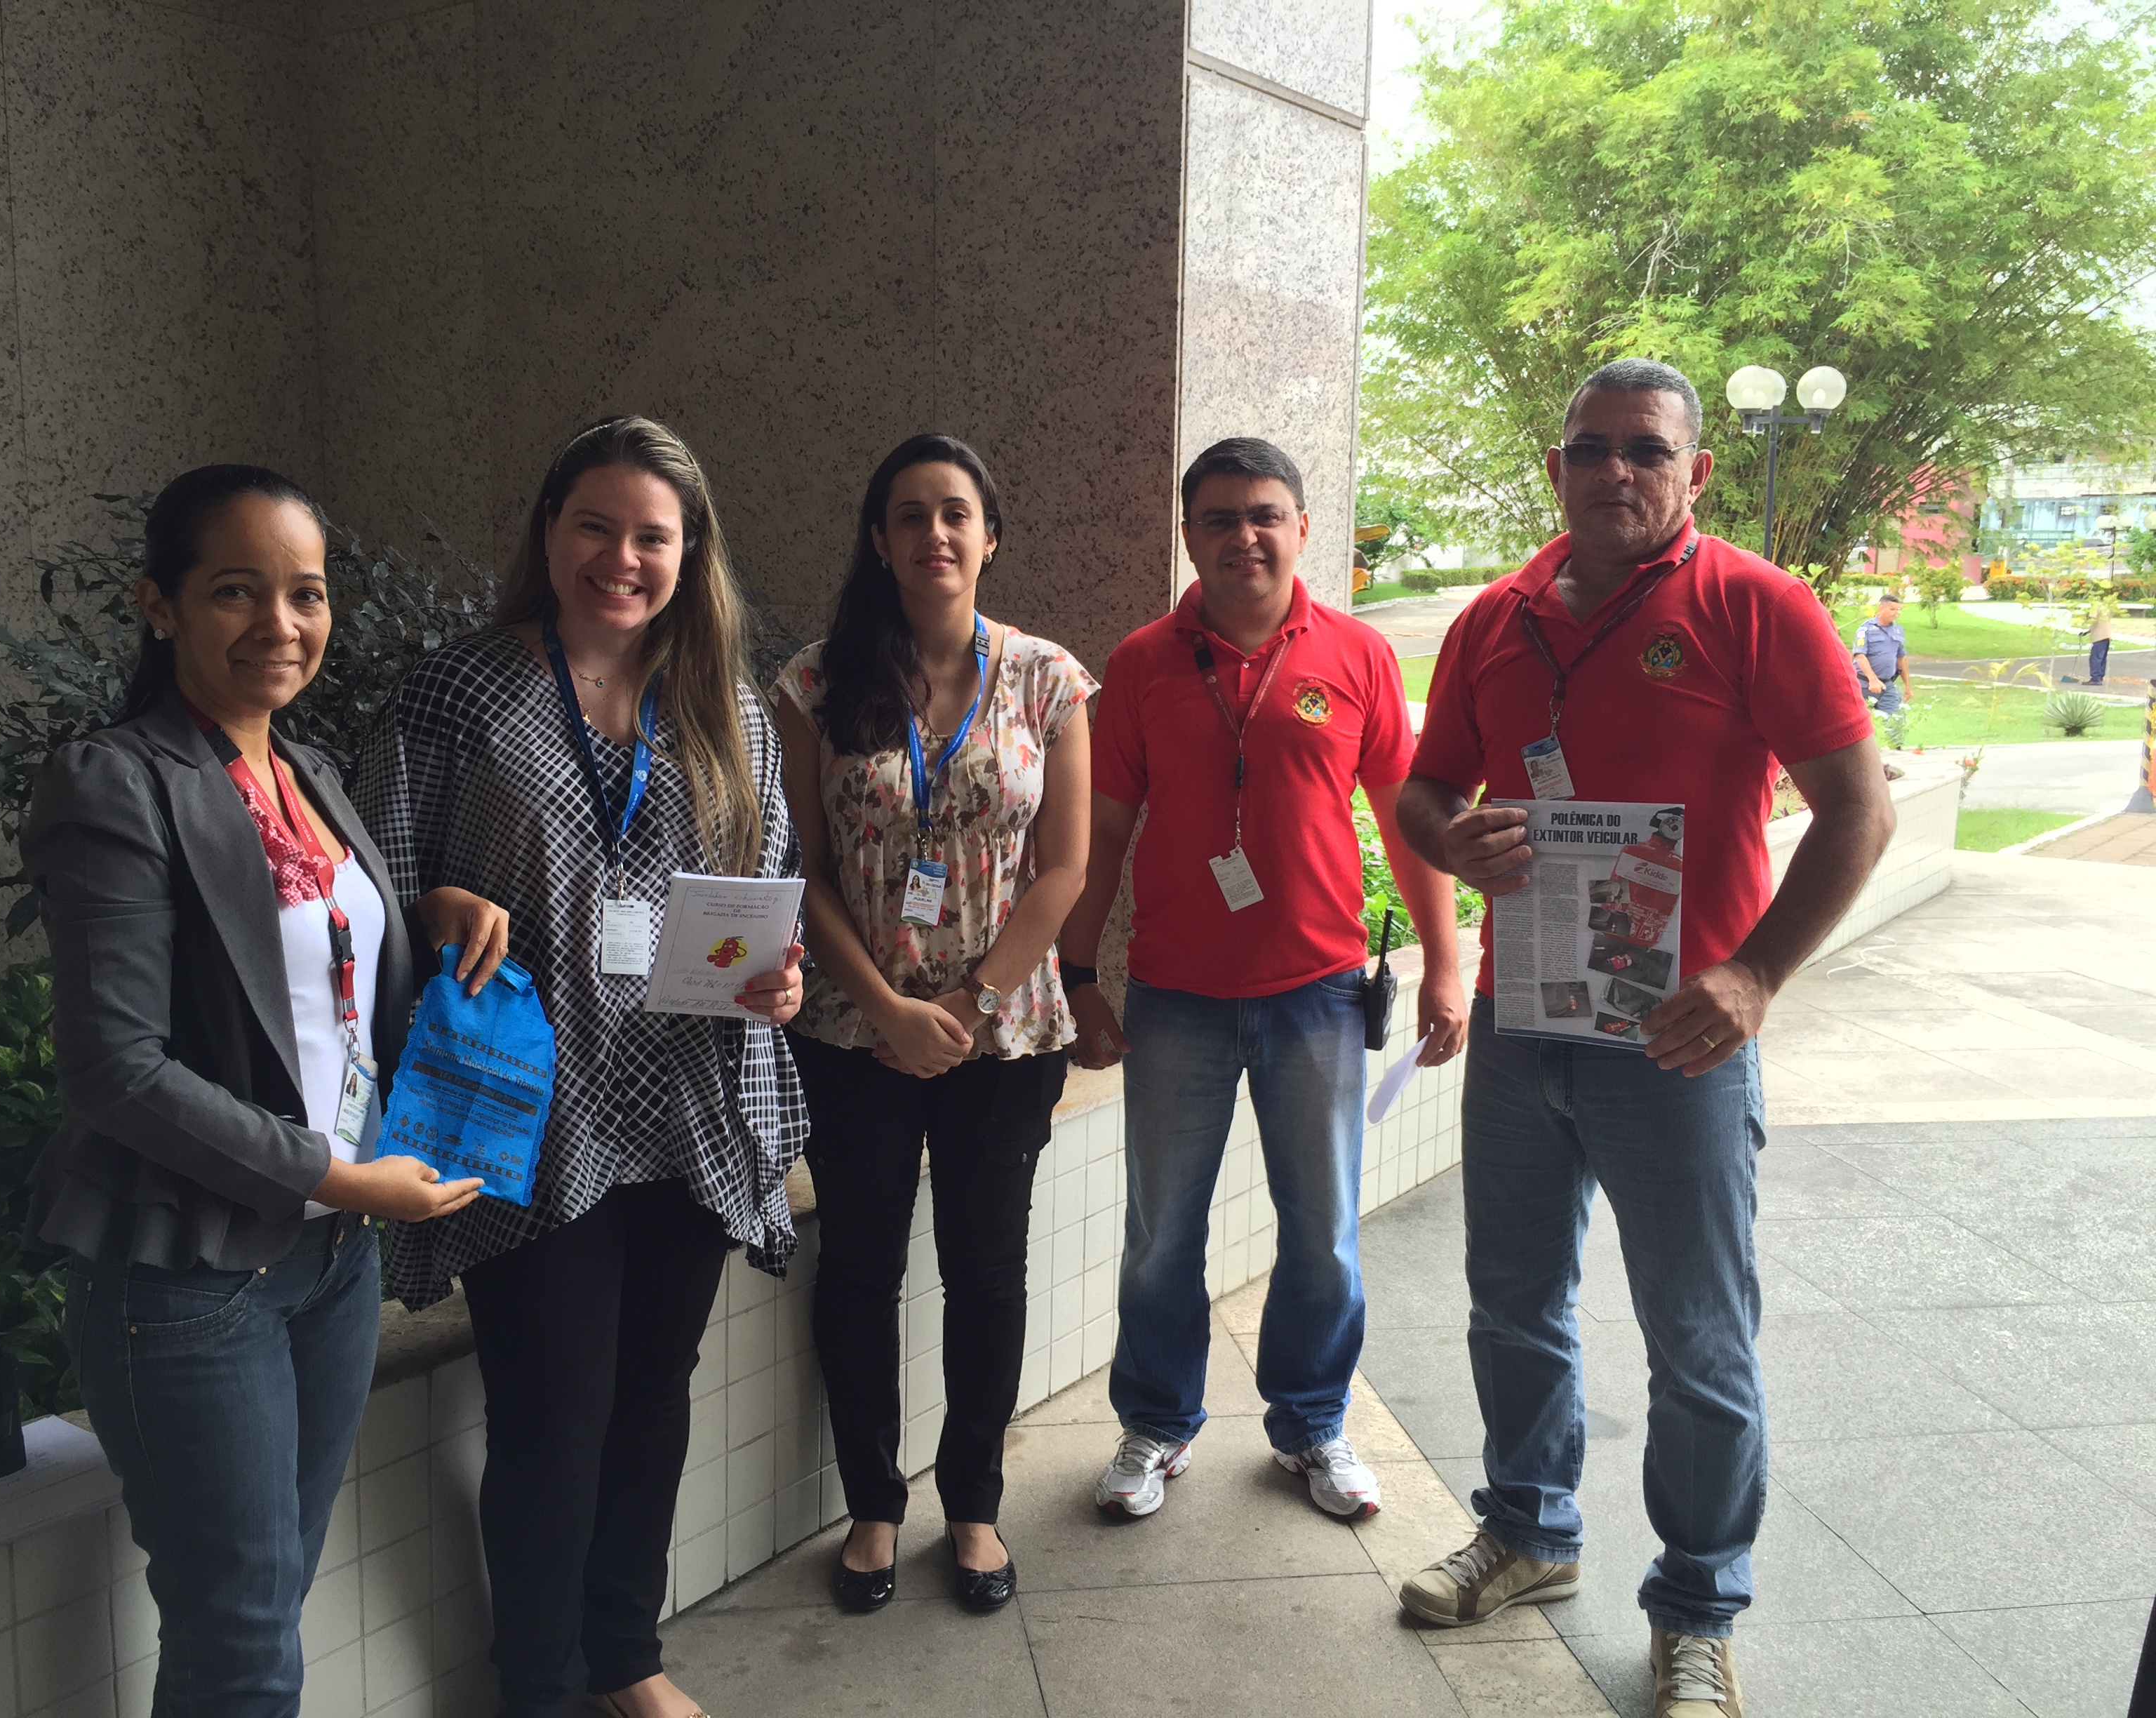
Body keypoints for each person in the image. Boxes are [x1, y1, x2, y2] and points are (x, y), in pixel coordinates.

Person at [1393, 359, 1894, 1718]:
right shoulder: (1494, 619)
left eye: (1645, 450)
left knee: (1696, 1338)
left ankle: (1696, 1609)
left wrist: (1755, 975)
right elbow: (1424, 789)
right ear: (1555, 465)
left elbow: (1859, 809)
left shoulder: (1754, 605)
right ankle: (1528, 1530)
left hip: (1680, 1044)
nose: (1614, 470)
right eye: (1589, 448)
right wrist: (1451, 839)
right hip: (1522, 1027)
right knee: (1511, 1301)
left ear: (1694, 470)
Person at [354, 418, 806, 1718]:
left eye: (652, 536)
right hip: (528, 1107)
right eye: (594, 526)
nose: (621, 557)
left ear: (690, 552)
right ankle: (539, 1686)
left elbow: (767, 885)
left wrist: (778, 982)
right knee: (552, 1413)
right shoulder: (457, 692)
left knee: (652, 1398)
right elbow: (369, 886)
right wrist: (433, 904)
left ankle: (625, 1655)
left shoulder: (723, 700)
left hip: (684, 1099)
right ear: (548, 531)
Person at [25, 465, 485, 1716]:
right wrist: (340, 1177)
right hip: (188, 1269)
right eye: (237, 591)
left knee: (267, 1602)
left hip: (330, 1264)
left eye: (306, 594)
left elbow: (307, 977)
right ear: (159, 604)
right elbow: (116, 1068)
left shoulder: (310, 770)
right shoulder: (116, 781)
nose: (280, 624)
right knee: (239, 1635)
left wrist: (421, 914)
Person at [1057, 437, 1466, 1524]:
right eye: (1221, 518)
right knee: (1162, 1235)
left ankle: (1313, 1424)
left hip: (1318, 994)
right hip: (1176, 998)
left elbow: (1407, 823)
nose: (1244, 536)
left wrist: (1446, 965)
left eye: (1265, 515)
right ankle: (1157, 1423)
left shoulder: (1357, 655)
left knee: (1323, 1234)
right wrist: (1077, 974)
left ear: (1301, 528)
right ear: (1190, 536)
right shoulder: (1143, 663)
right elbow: (1104, 832)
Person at [775, 434, 1093, 1614]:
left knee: (985, 1272)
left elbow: (1064, 868)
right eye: (909, 515)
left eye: (956, 513)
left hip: (1001, 1038)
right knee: (859, 1268)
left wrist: (961, 1005)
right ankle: (873, 1503)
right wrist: (888, 1008)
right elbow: (803, 870)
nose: (934, 534)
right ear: (879, 539)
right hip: (853, 1033)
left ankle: (972, 1503)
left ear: (989, 536)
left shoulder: (1050, 679)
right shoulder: (817, 682)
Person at [1852, 592, 1910, 717]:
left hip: (1887, 685)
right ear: (1881, 609)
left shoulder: (1897, 630)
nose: (1897, 613)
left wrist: (1908, 686)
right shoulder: (1865, 629)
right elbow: (1860, 656)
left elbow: (1901, 658)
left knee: (1895, 720)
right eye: (1893, 609)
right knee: (1862, 721)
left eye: (1899, 610)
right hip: (1865, 685)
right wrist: (1873, 680)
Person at [2086, 598, 2114, 685]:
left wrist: (2086, 616)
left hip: (2099, 636)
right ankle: (2100, 677)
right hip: (2107, 635)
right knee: (2102, 658)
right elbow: (2101, 623)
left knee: (2095, 658)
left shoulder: (2095, 606)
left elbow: (2092, 619)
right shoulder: (2105, 607)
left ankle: (2096, 678)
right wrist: (2088, 631)